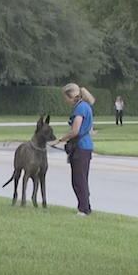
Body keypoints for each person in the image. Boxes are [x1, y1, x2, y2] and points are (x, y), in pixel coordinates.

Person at [50, 83, 94, 216]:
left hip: (81, 147)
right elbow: (90, 129)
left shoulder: (80, 109)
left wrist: (60, 139)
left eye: (66, 97)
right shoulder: (86, 106)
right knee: (82, 178)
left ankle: (83, 210)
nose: (65, 100)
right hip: (86, 145)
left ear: (72, 96)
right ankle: (86, 206)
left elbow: (75, 130)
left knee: (78, 180)